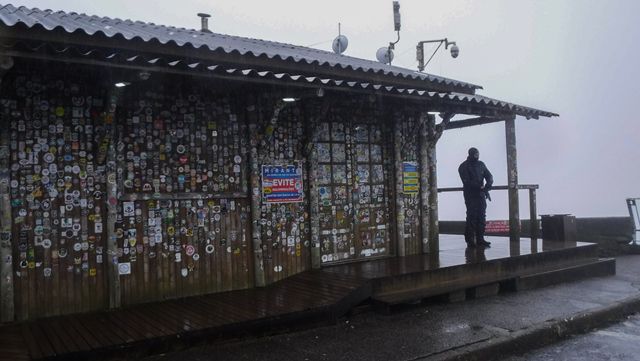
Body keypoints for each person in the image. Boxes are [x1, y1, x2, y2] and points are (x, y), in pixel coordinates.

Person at [458, 147, 493, 248]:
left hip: (481, 194)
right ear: (471, 154)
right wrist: (480, 187)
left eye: (478, 154)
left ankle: (480, 239)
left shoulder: (481, 164)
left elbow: (489, 176)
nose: (477, 156)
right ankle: (470, 240)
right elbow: (467, 182)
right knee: (471, 216)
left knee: (481, 216)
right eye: (475, 154)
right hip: (470, 195)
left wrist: (487, 186)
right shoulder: (463, 166)